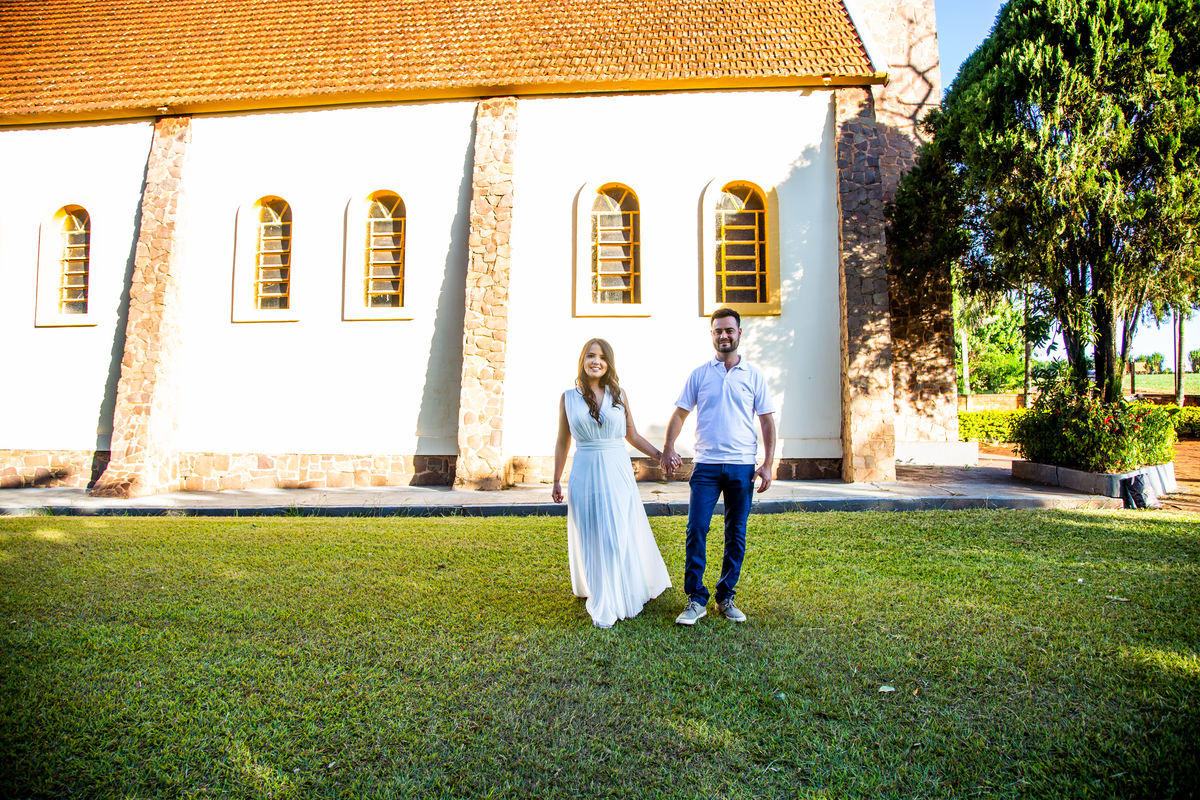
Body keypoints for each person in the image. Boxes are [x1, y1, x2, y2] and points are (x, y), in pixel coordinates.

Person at [660, 309, 776, 625]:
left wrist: (767, 464)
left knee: (736, 533)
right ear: (712, 335)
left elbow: (767, 421)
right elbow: (680, 413)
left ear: (739, 333)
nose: (723, 335)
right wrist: (668, 446)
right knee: (696, 528)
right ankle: (696, 599)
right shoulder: (699, 375)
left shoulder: (754, 375)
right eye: (717, 331)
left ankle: (725, 598)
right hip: (706, 467)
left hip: (742, 467)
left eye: (729, 330)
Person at [552, 339, 672, 628]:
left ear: (609, 363)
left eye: (602, 357)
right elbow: (562, 441)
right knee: (592, 534)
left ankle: (622, 590)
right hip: (584, 471)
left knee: (617, 534)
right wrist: (556, 479)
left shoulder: (619, 394)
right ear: (583, 360)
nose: (596, 361)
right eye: (591, 356)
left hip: (617, 469)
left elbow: (633, 435)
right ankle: (602, 597)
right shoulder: (568, 398)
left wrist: (660, 455)